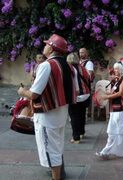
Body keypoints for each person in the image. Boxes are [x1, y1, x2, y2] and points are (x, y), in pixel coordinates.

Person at [17, 34, 76, 180]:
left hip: (46, 115)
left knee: (50, 150)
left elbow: (34, 94)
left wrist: (22, 91)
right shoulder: (69, 66)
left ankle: (56, 177)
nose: (44, 46)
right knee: (57, 146)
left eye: (46, 44)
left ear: (51, 47)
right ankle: (59, 174)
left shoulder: (46, 65)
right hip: (61, 113)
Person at [96, 61, 123, 160]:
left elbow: (120, 93)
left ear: (121, 70)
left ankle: (106, 152)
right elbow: (112, 92)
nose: (115, 70)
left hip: (120, 110)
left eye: (117, 69)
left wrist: (106, 96)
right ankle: (113, 151)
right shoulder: (117, 80)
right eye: (115, 69)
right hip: (114, 109)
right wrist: (106, 93)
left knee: (117, 132)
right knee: (113, 132)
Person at [67, 52, 91, 144]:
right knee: (81, 114)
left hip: (75, 96)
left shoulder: (70, 69)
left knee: (74, 116)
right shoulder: (83, 68)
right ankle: (81, 132)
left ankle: (76, 137)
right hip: (85, 95)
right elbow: (89, 79)